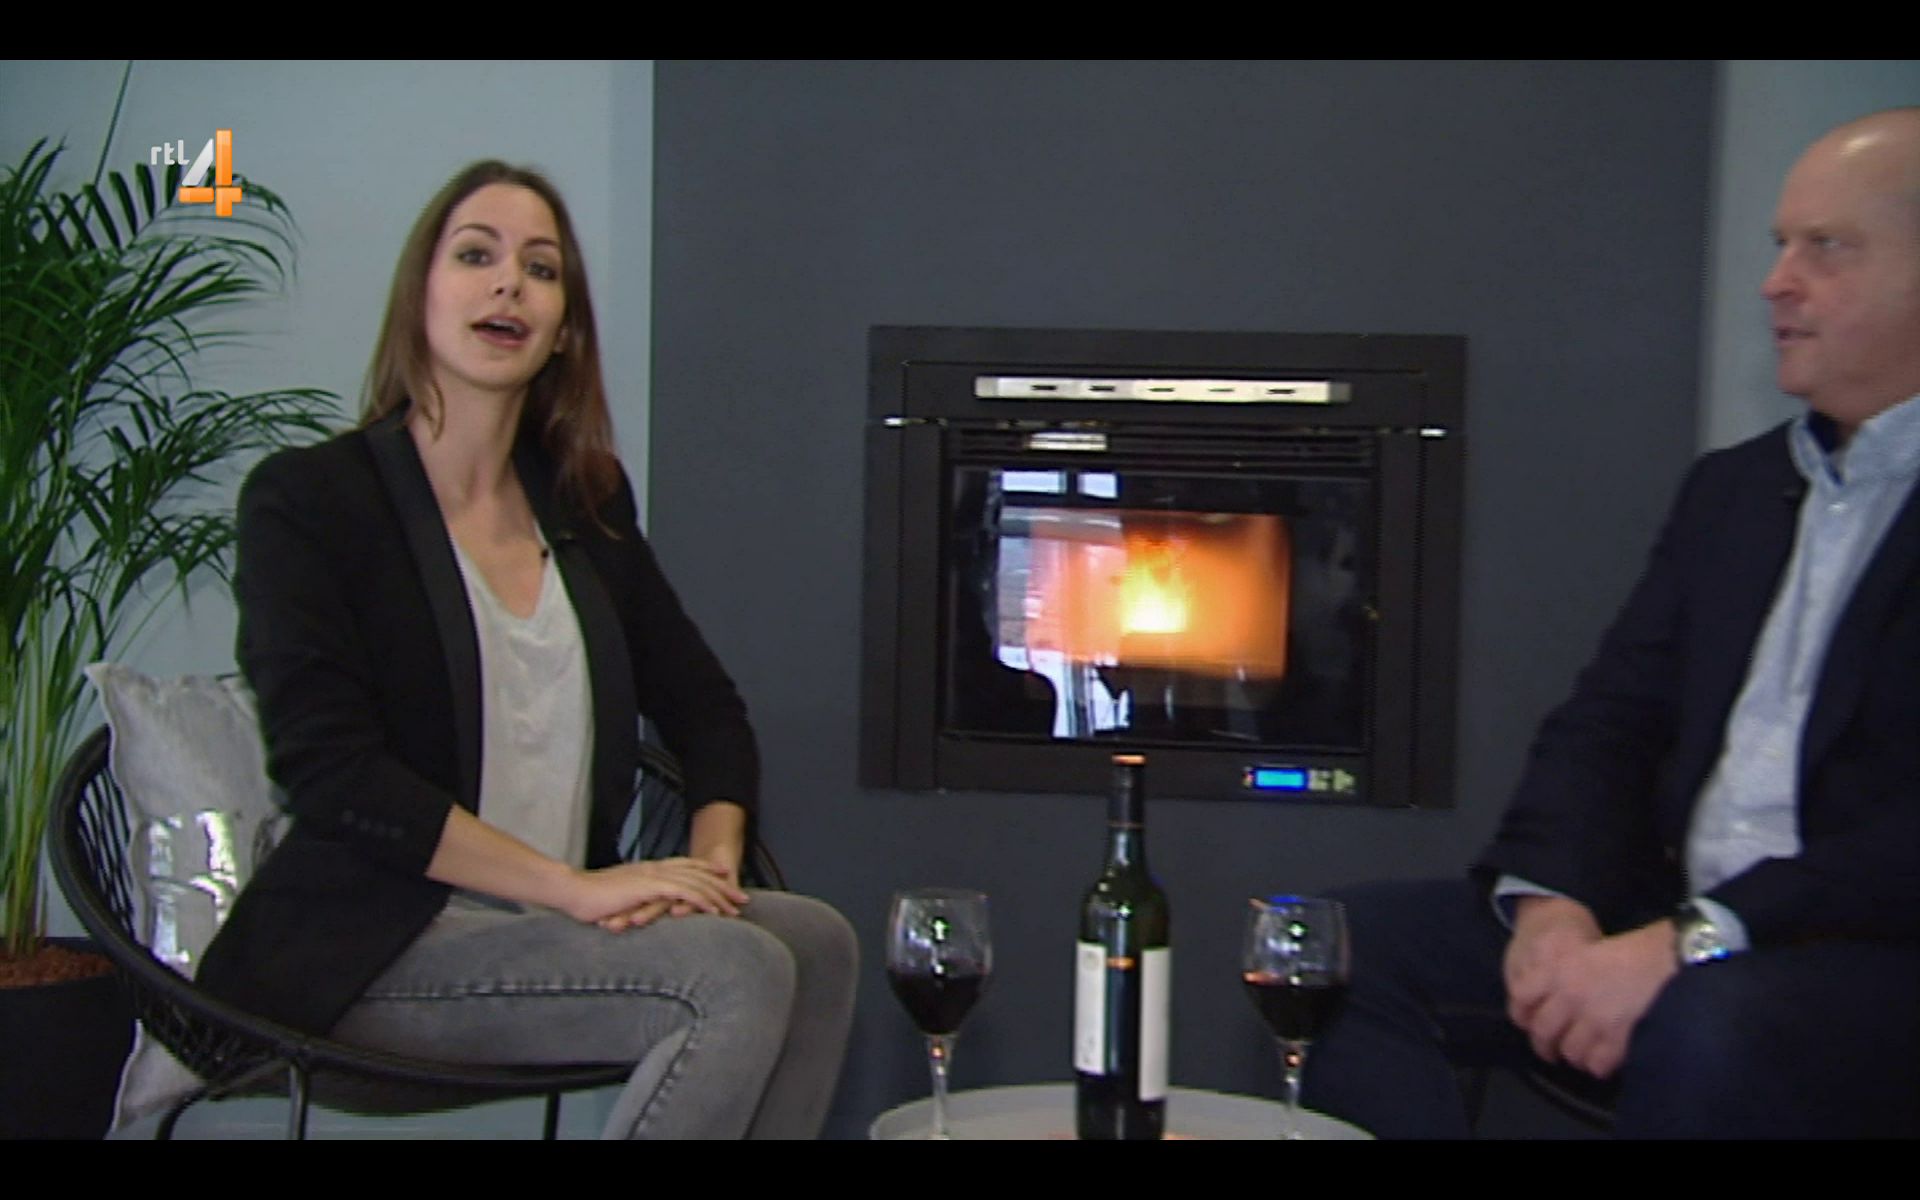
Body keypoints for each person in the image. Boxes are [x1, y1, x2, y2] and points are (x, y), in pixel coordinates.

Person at [195, 161, 858, 1139]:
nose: (509, 283)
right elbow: (331, 773)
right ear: (420, 295)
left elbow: (707, 711)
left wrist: (710, 876)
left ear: (563, 330)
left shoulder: (586, 500)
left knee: (819, 943)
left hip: (554, 930)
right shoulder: (310, 500)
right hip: (372, 948)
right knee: (738, 973)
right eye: (476, 256)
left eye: (541, 270)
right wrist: (575, 890)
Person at [1302, 108, 1920, 1138]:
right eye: (1779, 244)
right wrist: (1553, 906)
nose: (1777, 282)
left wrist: (1698, 940)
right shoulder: (1737, 492)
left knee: (1711, 1025)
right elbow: (1609, 722)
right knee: (1334, 947)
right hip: (1674, 917)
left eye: (1828, 247)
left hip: (1869, 954)